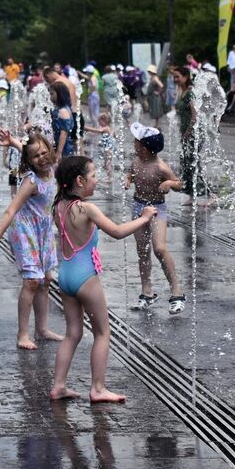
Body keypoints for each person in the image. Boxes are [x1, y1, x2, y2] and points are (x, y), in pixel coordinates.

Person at [49, 156, 154, 404]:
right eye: (94, 175)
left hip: (64, 276)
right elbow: (117, 232)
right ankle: (98, 388)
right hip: (86, 277)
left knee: (72, 334)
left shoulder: (59, 207)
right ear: (79, 180)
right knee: (102, 333)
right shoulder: (86, 209)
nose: (98, 180)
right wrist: (145, 217)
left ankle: (58, 386)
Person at [0, 131, 63, 350]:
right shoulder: (30, 182)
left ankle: (41, 329)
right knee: (32, 281)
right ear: (29, 161)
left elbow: (31, 152)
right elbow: (10, 210)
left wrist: (15, 143)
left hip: (43, 230)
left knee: (46, 279)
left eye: (44, 153)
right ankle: (22, 334)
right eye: (35, 157)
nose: (41, 158)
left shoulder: (52, 169)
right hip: (25, 231)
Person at [127, 124, 186, 314]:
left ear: (143, 147)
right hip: (138, 206)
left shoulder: (161, 166)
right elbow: (131, 172)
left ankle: (176, 292)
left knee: (159, 248)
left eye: (136, 141)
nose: (133, 143)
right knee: (142, 251)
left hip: (156, 209)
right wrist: (128, 179)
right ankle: (147, 292)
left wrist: (169, 182)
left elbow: (180, 184)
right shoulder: (136, 160)